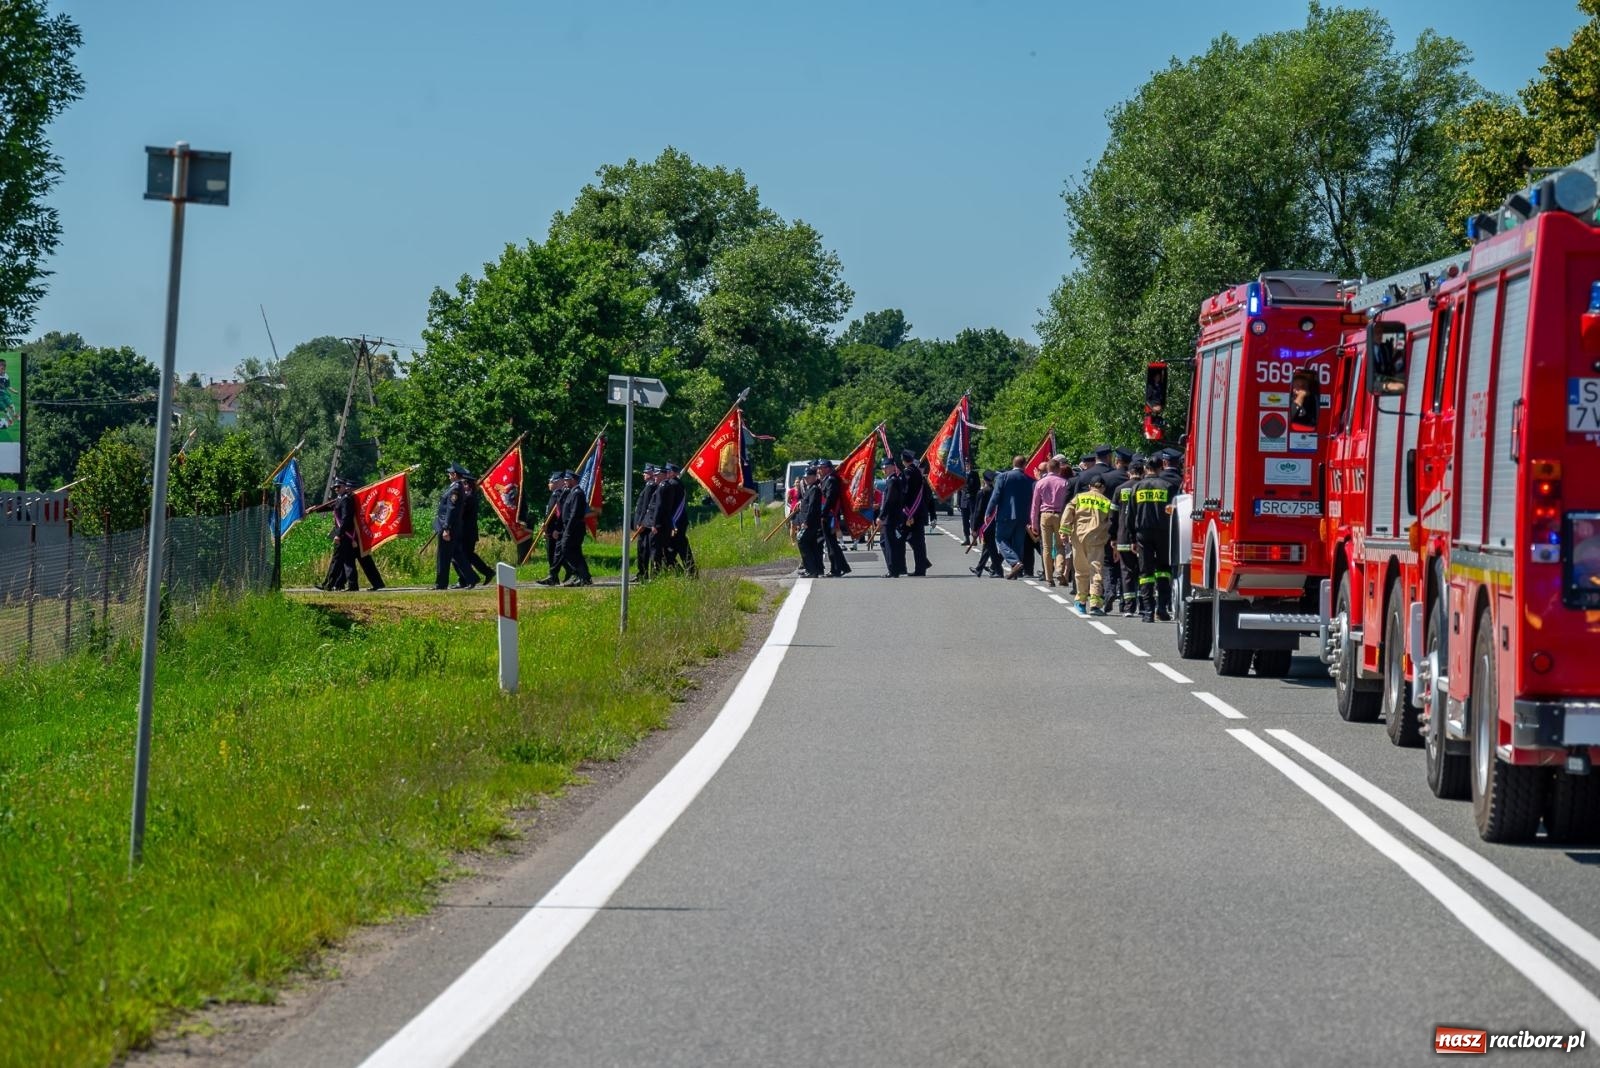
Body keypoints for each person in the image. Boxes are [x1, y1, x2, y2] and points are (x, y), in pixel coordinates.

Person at [1131, 454, 1175, 622]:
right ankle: (1162, 608)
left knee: (1145, 572)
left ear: (1145, 469)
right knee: (1164, 570)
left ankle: (1148, 612)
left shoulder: (1138, 487)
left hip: (1143, 533)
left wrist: (1131, 538)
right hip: (1164, 533)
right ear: (1161, 467)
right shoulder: (1168, 486)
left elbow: (1131, 514)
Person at [1065, 475, 1114, 615]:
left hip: (1078, 537)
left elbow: (1069, 511)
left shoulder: (1079, 498)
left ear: (1089, 487)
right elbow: (1111, 521)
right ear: (1103, 488)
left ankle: (1081, 602)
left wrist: (1064, 531)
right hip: (1097, 539)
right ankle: (1095, 604)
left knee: (1080, 570)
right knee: (1096, 570)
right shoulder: (1106, 501)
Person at [984, 456, 1035, 579]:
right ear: (1025, 465)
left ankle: (1015, 562)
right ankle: (1015, 571)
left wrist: (988, 512)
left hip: (1006, 515)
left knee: (1001, 539)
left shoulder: (1004, 476)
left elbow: (995, 496)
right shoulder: (1030, 480)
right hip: (1023, 517)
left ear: (1013, 463)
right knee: (1018, 543)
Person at [1028, 458, 1070, 589]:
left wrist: (1034, 523)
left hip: (1045, 515)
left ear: (1047, 469)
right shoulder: (1064, 483)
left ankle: (1049, 577)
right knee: (1060, 545)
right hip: (1060, 515)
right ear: (1059, 469)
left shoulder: (1040, 483)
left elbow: (1035, 505)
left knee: (1046, 547)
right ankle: (1059, 569)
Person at [433, 464, 475, 590]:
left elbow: (451, 509)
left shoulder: (455, 489)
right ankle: (472, 578)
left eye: (450, 473)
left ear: (455, 475)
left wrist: (446, 528)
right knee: (457, 554)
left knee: (443, 556)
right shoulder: (455, 487)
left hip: (449, 527)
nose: (448, 475)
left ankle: (441, 584)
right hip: (451, 527)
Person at [1114, 457, 1146, 617]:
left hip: (1123, 536)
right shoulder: (1144, 488)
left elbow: (1113, 516)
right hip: (1141, 537)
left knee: (1126, 572)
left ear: (1129, 473)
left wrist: (1112, 538)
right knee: (1142, 571)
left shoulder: (1120, 489)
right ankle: (1143, 606)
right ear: (1143, 472)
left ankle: (1128, 607)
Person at [557, 469, 593, 586]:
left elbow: (574, 514)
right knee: (574, 552)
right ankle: (582, 576)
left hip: (574, 529)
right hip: (570, 528)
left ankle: (582, 575)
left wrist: (568, 529)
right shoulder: (571, 492)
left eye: (567, 480)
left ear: (573, 480)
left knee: (567, 549)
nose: (565, 482)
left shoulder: (577, 493)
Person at [817, 457, 851, 577]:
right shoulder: (826, 479)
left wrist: (823, 514)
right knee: (830, 543)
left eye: (821, 468)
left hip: (830, 515)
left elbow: (830, 499)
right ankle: (841, 567)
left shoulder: (831, 480)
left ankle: (836, 568)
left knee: (831, 543)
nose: (819, 470)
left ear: (827, 469)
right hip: (827, 514)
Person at [899, 450, 932, 576]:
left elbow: (906, 493)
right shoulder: (918, 472)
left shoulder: (908, 472)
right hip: (919, 510)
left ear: (903, 460)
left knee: (906, 538)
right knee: (918, 541)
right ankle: (922, 565)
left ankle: (917, 567)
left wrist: (905, 510)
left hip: (911, 511)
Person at [458, 476, 495, 585]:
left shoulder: (469, 498)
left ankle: (467, 579)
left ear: (467, 485)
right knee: (468, 555)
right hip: (467, 532)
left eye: (464, 484)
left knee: (462, 556)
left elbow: (460, 513)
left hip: (467, 532)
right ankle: (486, 572)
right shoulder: (469, 496)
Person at [876, 456, 907, 577]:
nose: (884, 470)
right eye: (884, 468)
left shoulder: (892, 481)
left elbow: (889, 501)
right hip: (892, 517)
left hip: (891, 517)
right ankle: (895, 567)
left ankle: (893, 569)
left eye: (886, 468)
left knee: (889, 544)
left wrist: (882, 516)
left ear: (892, 468)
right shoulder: (892, 480)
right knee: (885, 542)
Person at [969, 470, 1003, 577]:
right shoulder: (995, 491)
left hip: (985, 523)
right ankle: (979, 569)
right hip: (994, 521)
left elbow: (978, 511)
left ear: (984, 479)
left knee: (991, 547)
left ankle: (998, 570)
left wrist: (974, 528)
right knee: (988, 547)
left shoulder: (982, 492)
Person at [536, 470, 567, 586]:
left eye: (551, 481)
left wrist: (555, 529)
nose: (549, 484)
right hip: (550, 529)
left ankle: (568, 572)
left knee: (556, 555)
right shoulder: (554, 495)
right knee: (553, 555)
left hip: (555, 530)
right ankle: (554, 577)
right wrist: (545, 526)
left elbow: (558, 515)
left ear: (559, 482)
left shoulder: (559, 495)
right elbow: (548, 514)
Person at [795, 462, 825, 577]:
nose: (806, 479)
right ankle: (814, 569)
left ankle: (811, 569)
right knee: (812, 545)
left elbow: (812, 507)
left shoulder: (814, 490)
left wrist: (806, 522)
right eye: (805, 477)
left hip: (810, 523)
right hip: (808, 522)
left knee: (802, 542)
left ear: (814, 477)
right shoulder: (810, 488)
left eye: (808, 477)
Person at [632, 464, 659, 582]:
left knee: (644, 549)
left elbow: (646, 506)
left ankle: (643, 573)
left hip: (645, 524)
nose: (644, 474)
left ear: (651, 474)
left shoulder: (651, 486)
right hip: (644, 522)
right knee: (641, 549)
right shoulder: (648, 485)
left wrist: (641, 522)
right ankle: (642, 572)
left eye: (646, 472)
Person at [958, 459, 979, 545]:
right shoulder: (960, 474)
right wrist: (958, 502)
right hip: (963, 500)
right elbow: (958, 489)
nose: (966, 465)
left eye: (968, 463)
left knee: (973, 520)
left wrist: (969, 491)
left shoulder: (974, 474)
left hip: (972, 500)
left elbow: (977, 486)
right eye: (965, 463)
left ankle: (974, 538)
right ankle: (967, 538)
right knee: (965, 521)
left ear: (970, 464)